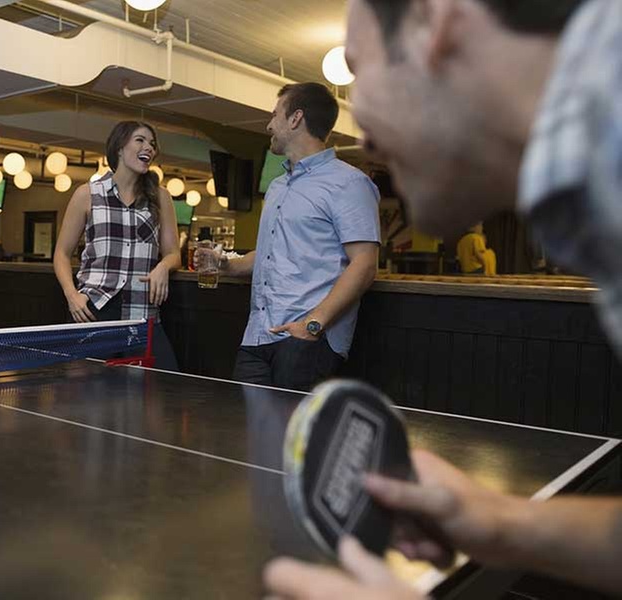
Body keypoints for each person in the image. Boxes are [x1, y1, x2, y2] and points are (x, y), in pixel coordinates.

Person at [263, 0, 622, 597]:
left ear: (438, 24)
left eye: (358, 69)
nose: (364, 133)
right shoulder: (588, 185)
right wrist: (508, 526)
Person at [201, 83, 380, 391]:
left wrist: (313, 325)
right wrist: (225, 265)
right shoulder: (277, 187)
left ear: (295, 118)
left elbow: (364, 264)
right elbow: (270, 254)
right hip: (257, 334)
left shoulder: (349, 183)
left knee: (292, 439)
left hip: (306, 341)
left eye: (275, 115)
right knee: (242, 432)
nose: (269, 124)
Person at [52, 121, 181, 370]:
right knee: (91, 402)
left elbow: (173, 252)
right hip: (94, 312)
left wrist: (164, 266)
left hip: (142, 312)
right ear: (120, 148)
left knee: (164, 391)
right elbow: (61, 253)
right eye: (140, 140)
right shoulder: (87, 194)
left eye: (152, 144)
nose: (149, 148)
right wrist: (72, 296)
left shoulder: (161, 196)